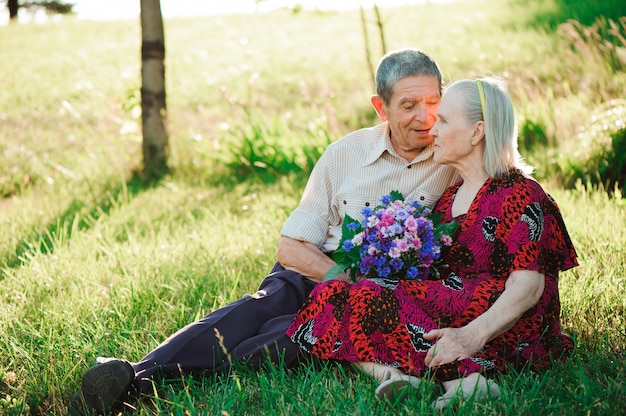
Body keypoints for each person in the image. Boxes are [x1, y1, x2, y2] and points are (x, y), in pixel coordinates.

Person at [68, 47, 460, 415]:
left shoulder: (453, 155)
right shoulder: (345, 154)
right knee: (251, 310)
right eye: (408, 105)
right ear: (382, 107)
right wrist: (340, 276)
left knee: (280, 341)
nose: (424, 118)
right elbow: (291, 247)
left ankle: (143, 381)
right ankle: (131, 375)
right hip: (314, 267)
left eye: (433, 103)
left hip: (375, 291)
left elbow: (500, 174)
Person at [286, 76, 578, 409]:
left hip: (503, 324)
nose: (432, 129)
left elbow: (528, 287)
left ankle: (467, 382)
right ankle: (397, 378)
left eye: (443, 120)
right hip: (451, 311)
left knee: (368, 294)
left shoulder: (519, 193)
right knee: (330, 294)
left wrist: (472, 335)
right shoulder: (450, 196)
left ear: (477, 132)